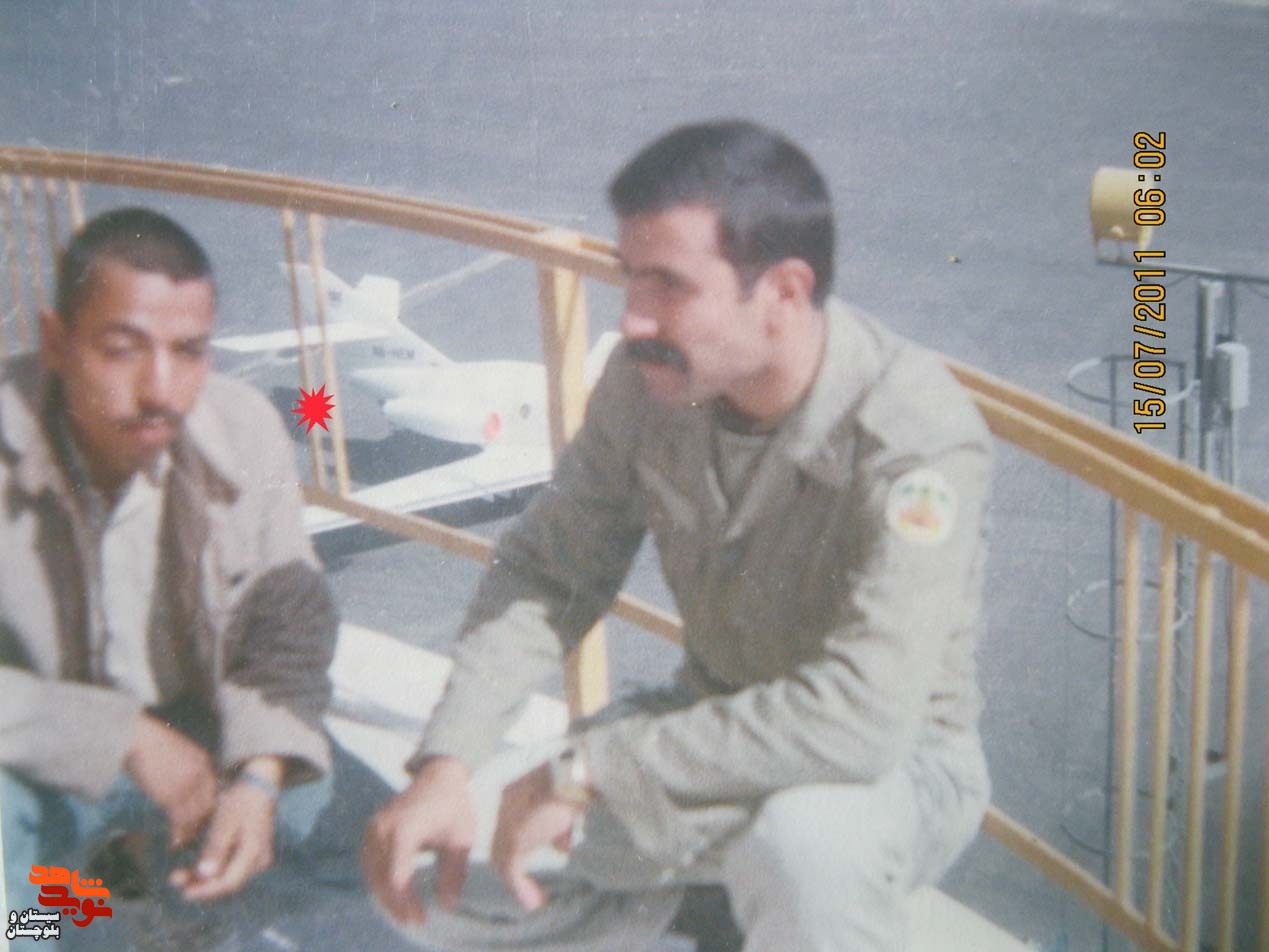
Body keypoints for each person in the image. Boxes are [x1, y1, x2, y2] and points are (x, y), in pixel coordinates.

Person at [363, 120, 994, 952]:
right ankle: (690, 900)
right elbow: (547, 571)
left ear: (783, 293)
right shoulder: (648, 383)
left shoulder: (914, 437)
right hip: (710, 722)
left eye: (668, 287)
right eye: (629, 279)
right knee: (424, 862)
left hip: (893, 767)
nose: (632, 321)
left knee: (806, 845)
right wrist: (446, 762)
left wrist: (594, 769)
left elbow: (862, 718)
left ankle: (727, 896)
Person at [0, 207, 356, 946]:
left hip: (199, 739)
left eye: (189, 351)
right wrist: (117, 733)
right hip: (32, 750)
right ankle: (61, 923)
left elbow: (289, 620)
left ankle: (156, 904)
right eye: (122, 350)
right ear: (57, 342)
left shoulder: (244, 426)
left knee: (333, 833)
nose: (161, 389)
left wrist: (258, 776)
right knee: (19, 919)